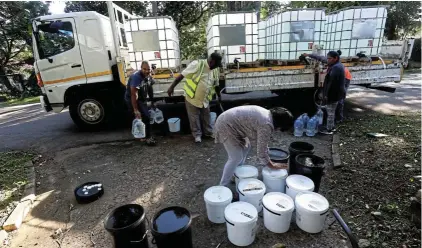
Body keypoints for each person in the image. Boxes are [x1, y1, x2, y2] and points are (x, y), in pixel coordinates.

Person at [214, 105, 294, 187]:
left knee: (246, 147)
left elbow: (260, 142)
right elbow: (261, 152)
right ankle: (223, 186)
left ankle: (236, 174)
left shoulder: (267, 115)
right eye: (280, 129)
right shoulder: (266, 124)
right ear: (280, 124)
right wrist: (272, 165)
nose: (278, 130)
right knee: (235, 157)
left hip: (233, 123)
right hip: (226, 125)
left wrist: (266, 152)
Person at [167, 53, 222, 143]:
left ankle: (208, 133)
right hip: (192, 98)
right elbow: (182, 75)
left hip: (205, 99)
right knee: (194, 118)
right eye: (216, 65)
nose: (217, 67)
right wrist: (171, 87)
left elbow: (216, 84)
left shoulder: (215, 70)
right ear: (212, 62)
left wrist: (219, 96)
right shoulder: (197, 64)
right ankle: (197, 135)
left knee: (206, 117)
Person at [303, 50, 352, 123]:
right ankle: (331, 115)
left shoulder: (337, 68)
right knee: (333, 98)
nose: (328, 60)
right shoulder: (330, 61)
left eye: (329, 59)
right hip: (337, 78)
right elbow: (319, 57)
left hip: (345, 78)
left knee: (339, 99)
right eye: (327, 59)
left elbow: (332, 83)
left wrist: (327, 94)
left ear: (335, 58)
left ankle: (339, 118)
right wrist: (308, 55)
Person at [124, 61, 157, 146]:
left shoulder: (148, 76)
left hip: (142, 98)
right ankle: (146, 137)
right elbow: (134, 94)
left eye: (148, 69)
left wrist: (152, 101)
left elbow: (150, 89)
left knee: (144, 116)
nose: (147, 71)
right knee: (141, 116)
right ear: (141, 68)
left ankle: (143, 135)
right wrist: (135, 109)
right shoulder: (136, 77)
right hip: (132, 98)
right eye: (144, 69)